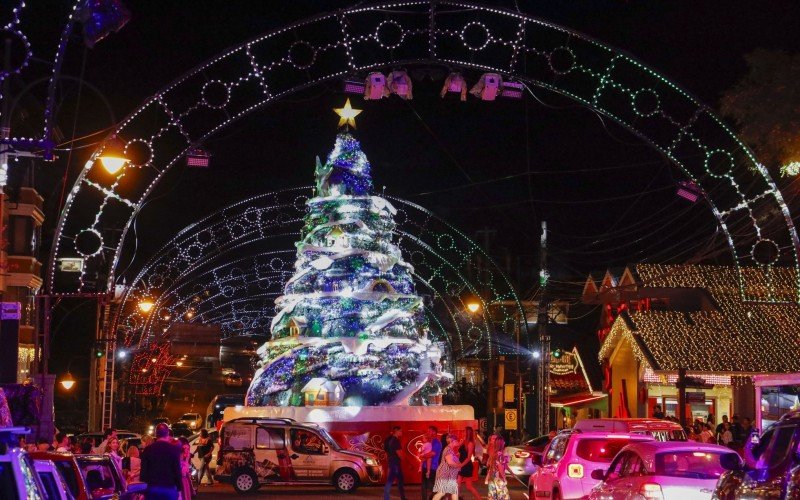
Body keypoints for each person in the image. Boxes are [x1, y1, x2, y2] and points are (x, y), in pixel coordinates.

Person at [141, 423, 183, 499]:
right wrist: (179, 490)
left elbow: (143, 473)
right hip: (169, 488)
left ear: (155, 434)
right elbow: (177, 471)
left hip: (153, 489)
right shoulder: (174, 450)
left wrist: (142, 492)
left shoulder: (148, 450)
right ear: (167, 433)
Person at [432, 435, 461, 500]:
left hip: (450, 476)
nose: (457, 442)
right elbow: (450, 462)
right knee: (441, 492)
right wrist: (459, 465)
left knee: (454, 492)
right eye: (456, 440)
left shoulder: (450, 450)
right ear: (452, 441)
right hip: (444, 474)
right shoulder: (448, 449)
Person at [383, 426, 407, 500]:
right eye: (400, 431)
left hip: (392, 462)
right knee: (394, 480)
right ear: (396, 431)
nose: (401, 432)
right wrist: (407, 462)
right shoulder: (395, 441)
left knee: (397, 480)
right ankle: (387, 497)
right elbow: (399, 453)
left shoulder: (389, 440)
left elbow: (386, 452)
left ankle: (402, 497)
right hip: (395, 463)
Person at [457, 427, 480, 500]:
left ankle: (479, 498)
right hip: (461, 465)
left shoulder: (470, 443)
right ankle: (456, 498)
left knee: (469, 486)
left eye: (464, 431)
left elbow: (468, 457)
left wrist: (461, 465)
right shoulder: (463, 441)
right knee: (458, 484)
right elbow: (457, 447)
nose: (463, 432)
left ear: (468, 433)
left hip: (466, 466)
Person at [420, 425, 442, 500]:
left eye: (429, 431)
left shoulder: (437, 443)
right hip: (425, 466)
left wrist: (422, 456)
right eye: (428, 431)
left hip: (432, 468)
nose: (428, 432)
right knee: (424, 486)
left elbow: (432, 453)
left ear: (434, 432)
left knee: (431, 486)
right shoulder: (429, 442)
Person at [486, 435, 510, 500]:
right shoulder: (500, 454)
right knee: (504, 497)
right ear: (501, 443)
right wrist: (504, 478)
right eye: (503, 442)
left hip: (492, 478)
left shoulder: (494, 453)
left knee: (492, 496)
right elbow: (500, 467)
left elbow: (488, 464)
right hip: (498, 478)